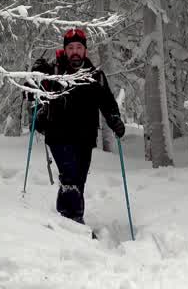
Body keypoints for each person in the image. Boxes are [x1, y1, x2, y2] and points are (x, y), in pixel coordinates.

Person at [31, 27, 125, 226]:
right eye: (71, 47)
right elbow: (33, 88)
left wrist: (114, 119)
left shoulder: (95, 76)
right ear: (65, 50)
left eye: (78, 47)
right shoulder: (54, 72)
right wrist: (36, 72)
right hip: (58, 136)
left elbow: (107, 103)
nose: (75, 51)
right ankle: (75, 223)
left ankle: (66, 223)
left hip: (85, 139)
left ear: (85, 51)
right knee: (70, 178)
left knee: (78, 182)